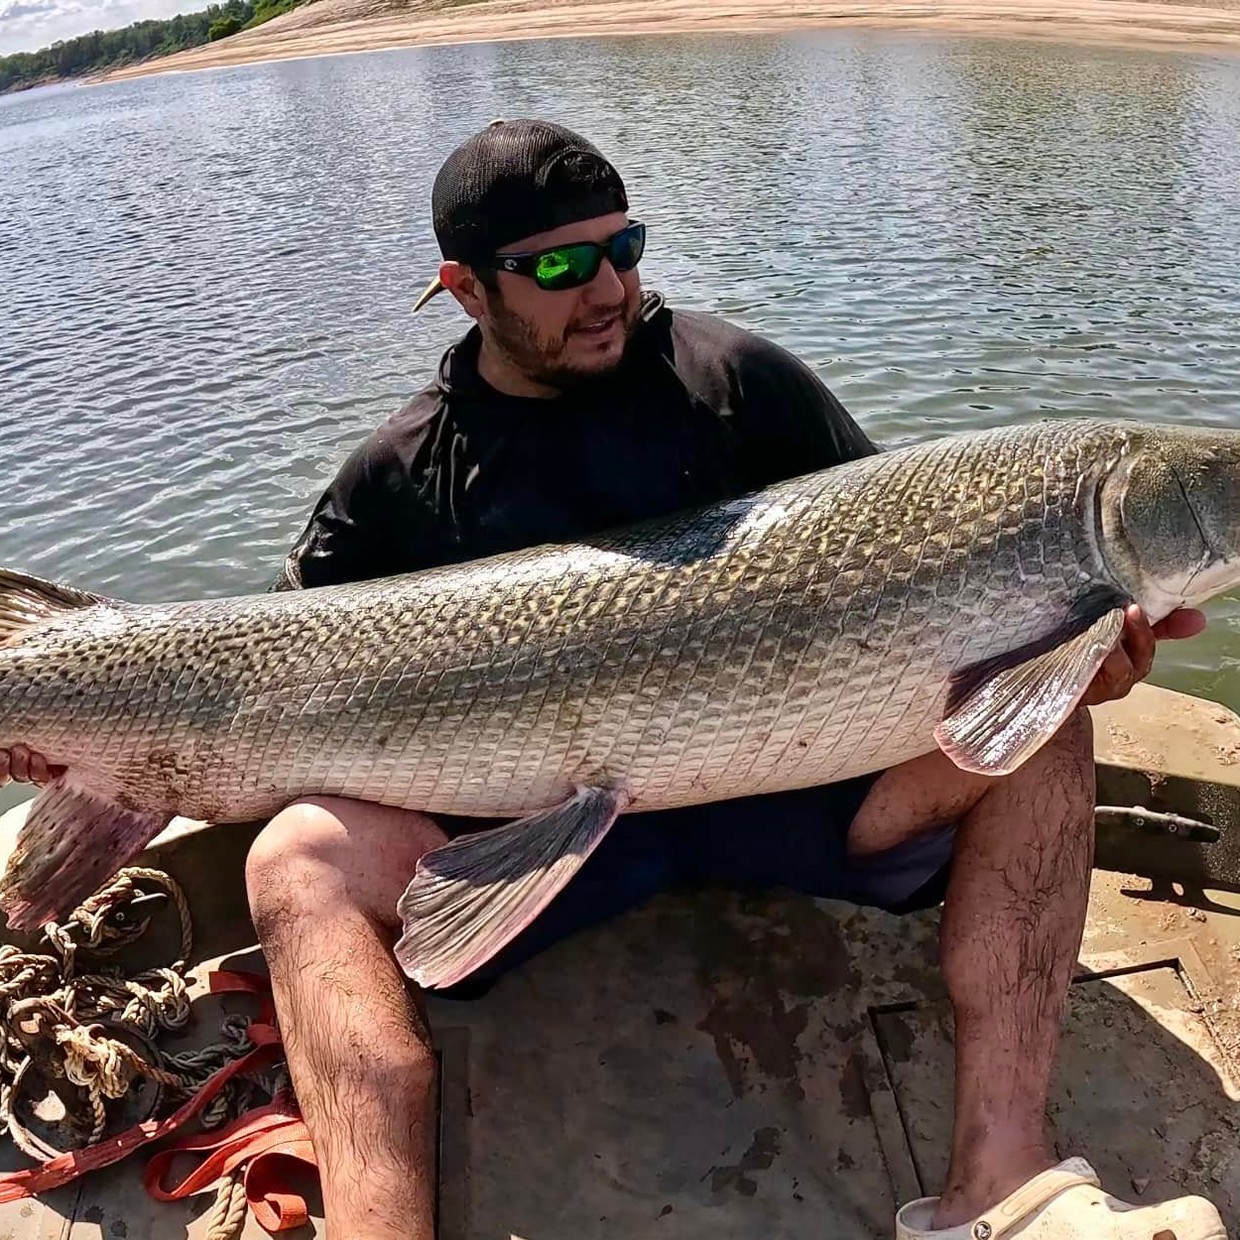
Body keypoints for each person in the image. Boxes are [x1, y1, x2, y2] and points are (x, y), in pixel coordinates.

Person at [1, 119, 1224, 1240]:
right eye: (554, 268)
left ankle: (999, 1184)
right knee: (291, 860)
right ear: (464, 287)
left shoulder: (740, 380)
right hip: (536, 838)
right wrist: (106, 753)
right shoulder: (392, 478)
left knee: (1052, 734)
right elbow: (277, 672)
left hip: (788, 792)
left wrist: (1071, 669)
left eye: (621, 247)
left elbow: (931, 596)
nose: (607, 287)